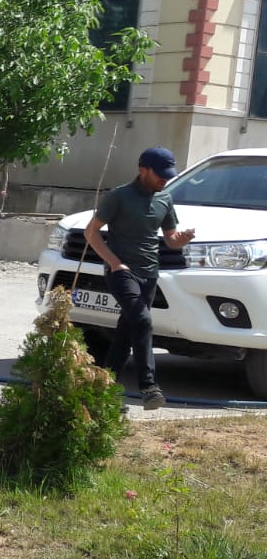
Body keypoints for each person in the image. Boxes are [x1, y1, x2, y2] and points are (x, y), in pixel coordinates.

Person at [84, 146, 195, 409]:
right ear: (142, 169)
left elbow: (170, 239)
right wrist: (114, 263)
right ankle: (149, 387)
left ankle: (104, 393)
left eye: (167, 175)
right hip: (121, 272)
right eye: (159, 174)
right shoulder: (119, 196)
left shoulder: (165, 199)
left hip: (150, 274)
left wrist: (182, 239)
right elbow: (91, 232)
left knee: (125, 334)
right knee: (143, 321)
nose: (164, 180)